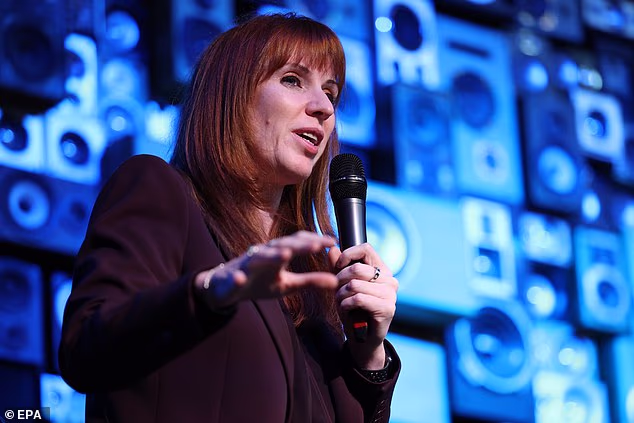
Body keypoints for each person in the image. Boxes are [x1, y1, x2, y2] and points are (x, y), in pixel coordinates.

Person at [58, 12, 400, 423]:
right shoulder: (160, 190)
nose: (324, 108)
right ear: (231, 98)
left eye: (331, 93)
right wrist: (210, 292)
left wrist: (369, 352)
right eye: (293, 80)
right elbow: (85, 347)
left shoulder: (314, 278)